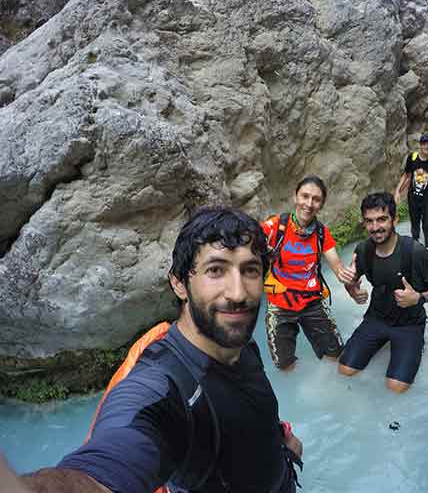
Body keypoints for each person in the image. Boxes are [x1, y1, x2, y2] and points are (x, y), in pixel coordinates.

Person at [0, 207, 303, 493]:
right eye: (215, 270)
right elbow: (103, 470)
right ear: (179, 284)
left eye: (250, 270)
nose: (237, 293)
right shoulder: (161, 389)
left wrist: (279, 446)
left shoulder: (237, 340)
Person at [338, 192, 428, 393]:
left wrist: (419, 297)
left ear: (395, 219)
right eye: (369, 221)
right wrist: (353, 291)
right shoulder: (363, 249)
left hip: (408, 324)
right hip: (376, 318)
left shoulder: (414, 251)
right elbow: (352, 281)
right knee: (345, 371)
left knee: (395, 388)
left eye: (382, 219)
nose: (375, 228)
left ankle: (414, 345)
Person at [262, 176, 356, 371]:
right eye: (305, 196)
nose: (309, 204)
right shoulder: (275, 226)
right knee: (284, 364)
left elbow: (337, 266)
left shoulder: (321, 233)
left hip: (312, 302)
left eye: (316, 199)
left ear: (321, 204)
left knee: (335, 354)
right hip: (280, 304)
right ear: (295, 197)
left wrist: (348, 277)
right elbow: (247, 241)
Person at [394, 134, 428, 248]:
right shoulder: (412, 157)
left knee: (427, 225)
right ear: (420, 145)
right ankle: (415, 248)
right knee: (415, 225)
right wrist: (397, 191)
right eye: (424, 143)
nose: (426, 146)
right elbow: (406, 175)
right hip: (413, 198)